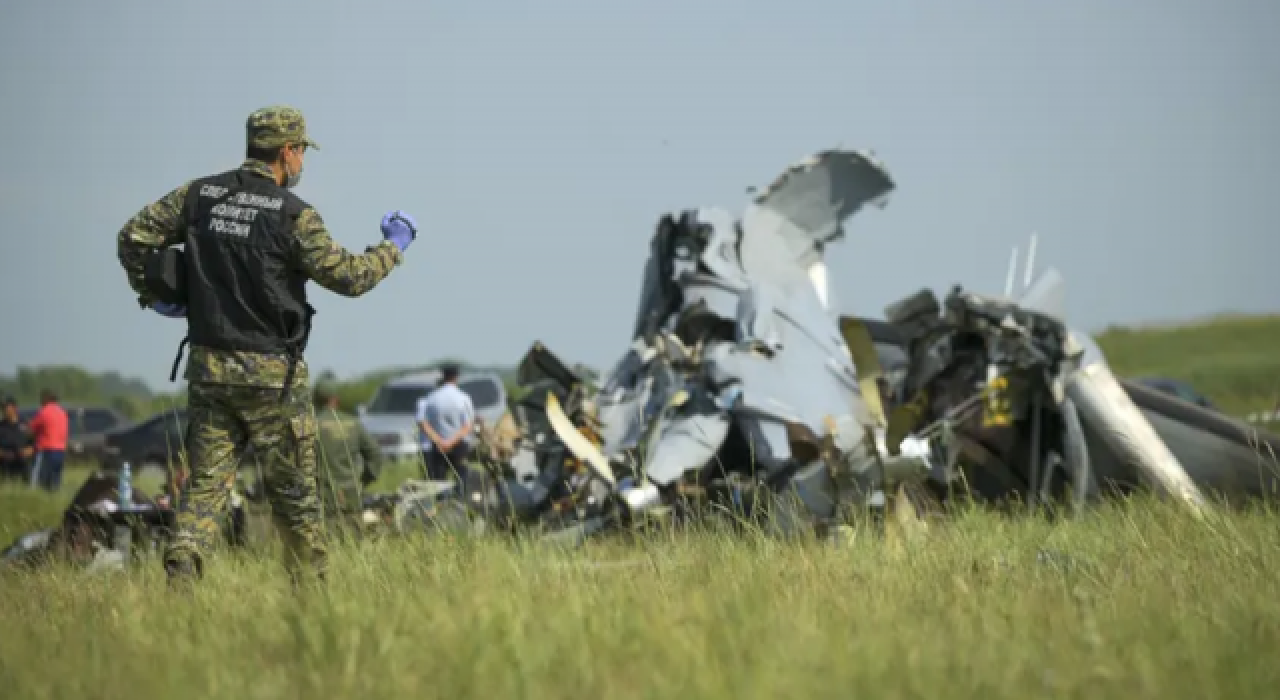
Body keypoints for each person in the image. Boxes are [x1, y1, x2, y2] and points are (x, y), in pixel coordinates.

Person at [115, 105, 417, 589]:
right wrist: (394, 247)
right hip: (273, 378)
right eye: (302, 154)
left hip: (209, 368)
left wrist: (157, 295)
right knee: (295, 493)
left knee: (207, 486)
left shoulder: (199, 196)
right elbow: (350, 277)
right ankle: (310, 591)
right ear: (289, 152)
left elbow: (134, 237)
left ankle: (184, 561)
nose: (302, 164)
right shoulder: (294, 215)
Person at [312, 383, 382, 538]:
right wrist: (366, 479)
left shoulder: (313, 424)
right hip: (352, 490)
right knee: (354, 536)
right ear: (337, 399)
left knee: (327, 537)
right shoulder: (354, 423)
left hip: (323, 491)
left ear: (316, 400)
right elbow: (375, 452)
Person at [416, 364, 475, 483]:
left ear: (443, 377)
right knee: (462, 479)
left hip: (438, 446)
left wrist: (439, 441)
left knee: (438, 481)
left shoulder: (431, 397)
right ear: (456, 377)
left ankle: (440, 501)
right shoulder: (463, 398)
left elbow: (423, 423)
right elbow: (467, 426)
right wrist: (450, 442)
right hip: (459, 444)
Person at [27, 390, 69, 492]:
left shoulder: (44, 412)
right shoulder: (63, 412)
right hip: (60, 451)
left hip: (46, 450)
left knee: (39, 480)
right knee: (55, 480)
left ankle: (34, 498)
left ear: (46, 399)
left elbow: (31, 429)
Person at [0, 397, 34, 484]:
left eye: (7, 407)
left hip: (23, 461)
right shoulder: (1, 426)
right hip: (5, 462)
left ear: (15, 408)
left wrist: (29, 450)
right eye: (3, 407)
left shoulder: (25, 424)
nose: (4, 410)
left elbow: (34, 443)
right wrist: (3, 453)